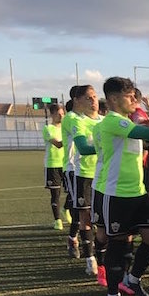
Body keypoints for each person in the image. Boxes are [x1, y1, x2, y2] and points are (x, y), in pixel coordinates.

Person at [89, 76, 149, 296]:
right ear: (114, 99)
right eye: (129, 96)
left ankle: (133, 279)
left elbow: (146, 128)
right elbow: (142, 131)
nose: (134, 99)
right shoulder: (112, 122)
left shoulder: (126, 121)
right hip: (116, 194)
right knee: (117, 245)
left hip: (138, 193)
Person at [70, 85, 104, 278]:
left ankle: (102, 260)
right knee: (86, 218)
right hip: (84, 174)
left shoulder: (105, 121)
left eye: (95, 96)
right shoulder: (78, 122)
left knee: (103, 221)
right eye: (88, 98)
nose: (93, 101)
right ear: (79, 101)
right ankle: (90, 259)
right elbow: (83, 147)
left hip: (104, 176)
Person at [61, 86, 82, 258]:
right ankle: (73, 238)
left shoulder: (90, 118)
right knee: (79, 208)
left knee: (89, 210)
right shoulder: (71, 118)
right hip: (73, 169)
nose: (92, 101)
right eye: (88, 97)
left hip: (91, 169)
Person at [42, 103, 65, 230]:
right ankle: (57, 220)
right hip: (52, 165)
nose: (61, 116)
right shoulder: (48, 129)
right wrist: (72, 138)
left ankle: (66, 209)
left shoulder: (66, 128)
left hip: (67, 164)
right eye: (59, 114)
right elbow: (58, 144)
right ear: (52, 114)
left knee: (73, 194)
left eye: (63, 113)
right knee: (55, 194)